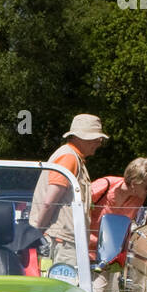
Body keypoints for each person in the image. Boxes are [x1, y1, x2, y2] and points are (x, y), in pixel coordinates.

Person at [29, 114, 108, 273]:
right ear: (81, 138)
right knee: (63, 290)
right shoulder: (69, 158)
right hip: (62, 243)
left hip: (63, 241)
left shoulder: (73, 158)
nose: (99, 143)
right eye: (95, 138)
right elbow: (49, 201)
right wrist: (35, 235)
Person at [88, 157, 147, 257]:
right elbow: (75, 207)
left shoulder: (138, 199)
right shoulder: (105, 185)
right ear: (134, 184)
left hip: (107, 254)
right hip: (82, 249)